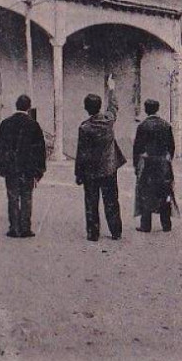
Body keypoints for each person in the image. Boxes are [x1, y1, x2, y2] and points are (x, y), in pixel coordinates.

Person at [75, 73, 126, 241]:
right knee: (111, 200)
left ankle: (93, 233)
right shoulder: (108, 120)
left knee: (91, 201)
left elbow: (81, 153)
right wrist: (111, 88)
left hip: (91, 171)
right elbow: (113, 107)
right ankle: (116, 231)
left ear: (86, 108)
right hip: (109, 168)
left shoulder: (85, 128)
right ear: (99, 107)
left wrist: (78, 174)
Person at [0, 95, 47, 239]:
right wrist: (39, 170)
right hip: (28, 169)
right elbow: (40, 149)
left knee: (12, 197)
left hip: (11, 168)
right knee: (27, 197)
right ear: (28, 107)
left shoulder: (5, 124)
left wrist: (0, 166)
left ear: (16, 106)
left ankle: (14, 228)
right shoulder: (33, 125)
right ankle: (25, 228)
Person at [133, 99, 176, 233]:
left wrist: (136, 166)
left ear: (146, 110)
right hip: (163, 164)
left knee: (146, 193)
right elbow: (172, 147)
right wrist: (168, 161)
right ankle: (166, 224)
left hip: (148, 165)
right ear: (157, 109)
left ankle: (146, 225)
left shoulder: (143, 126)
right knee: (164, 193)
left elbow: (137, 148)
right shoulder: (166, 125)